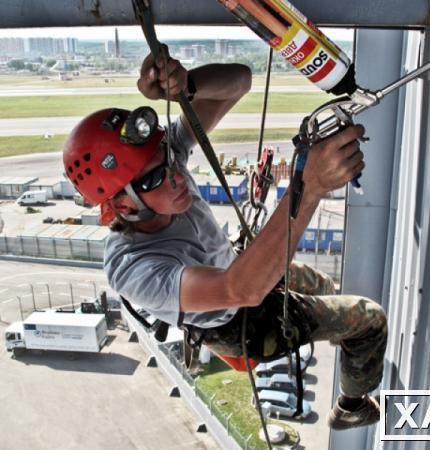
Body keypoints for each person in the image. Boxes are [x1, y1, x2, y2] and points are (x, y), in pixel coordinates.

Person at [63, 51, 388, 430]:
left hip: (235, 266)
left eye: (169, 158)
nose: (177, 177)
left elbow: (240, 81)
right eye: (155, 179)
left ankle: (336, 333)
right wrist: (310, 187)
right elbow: (241, 290)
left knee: (322, 286)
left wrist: (187, 85)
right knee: (370, 320)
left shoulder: (163, 164)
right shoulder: (133, 269)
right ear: (122, 204)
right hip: (237, 323)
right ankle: (351, 406)